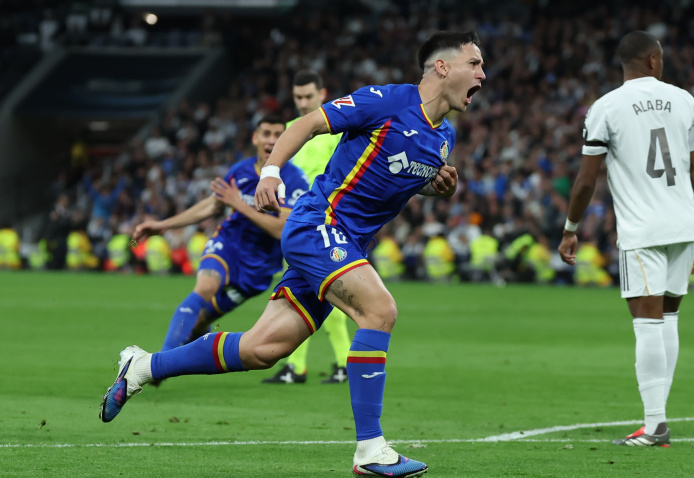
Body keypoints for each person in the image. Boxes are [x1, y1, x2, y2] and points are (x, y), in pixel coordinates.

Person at [100, 31, 484, 477]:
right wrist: (270, 173)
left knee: (262, 349)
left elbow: (391, 179)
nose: (482, 73)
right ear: (442, 67)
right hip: (318, 226)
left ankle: (143, 366)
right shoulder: (385, 101)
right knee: (379, 310)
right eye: (474, 63)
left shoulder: (443, 139)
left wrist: (436, 188)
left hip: (345, 245)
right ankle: (371, 449)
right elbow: (305, 125)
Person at [558, 31, 694, 447]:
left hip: (642, 231)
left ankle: (655, 423)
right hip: (683, 225)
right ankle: (658, 419)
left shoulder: (606, 107)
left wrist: (571, 230)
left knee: (647, 324)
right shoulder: (685, 101)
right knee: (670, 318)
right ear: (654, 60)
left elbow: (587, 179)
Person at [132, 116, 309, 353]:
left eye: (278, 134)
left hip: (259, 267)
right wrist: (164, 225)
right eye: (266, 133)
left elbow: (282, 228)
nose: (271, 140)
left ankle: (187, 350)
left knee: (202, 320)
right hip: (228, 243)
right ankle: (159, 362)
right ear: (255, 138)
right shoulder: (240, 170)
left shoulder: (295, 179)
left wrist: (240, 204)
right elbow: (212, 205)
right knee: (204, 288)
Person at [260, 70, 353, 386]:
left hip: (327, 222)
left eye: (308, 97)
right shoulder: (289, 132)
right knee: (296, 293)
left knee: (332, 291)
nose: (302, 103)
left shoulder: (336, 130)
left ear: (322, 94)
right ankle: (296, 367)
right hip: (296, 224)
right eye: (297, 97)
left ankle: (343, 363)